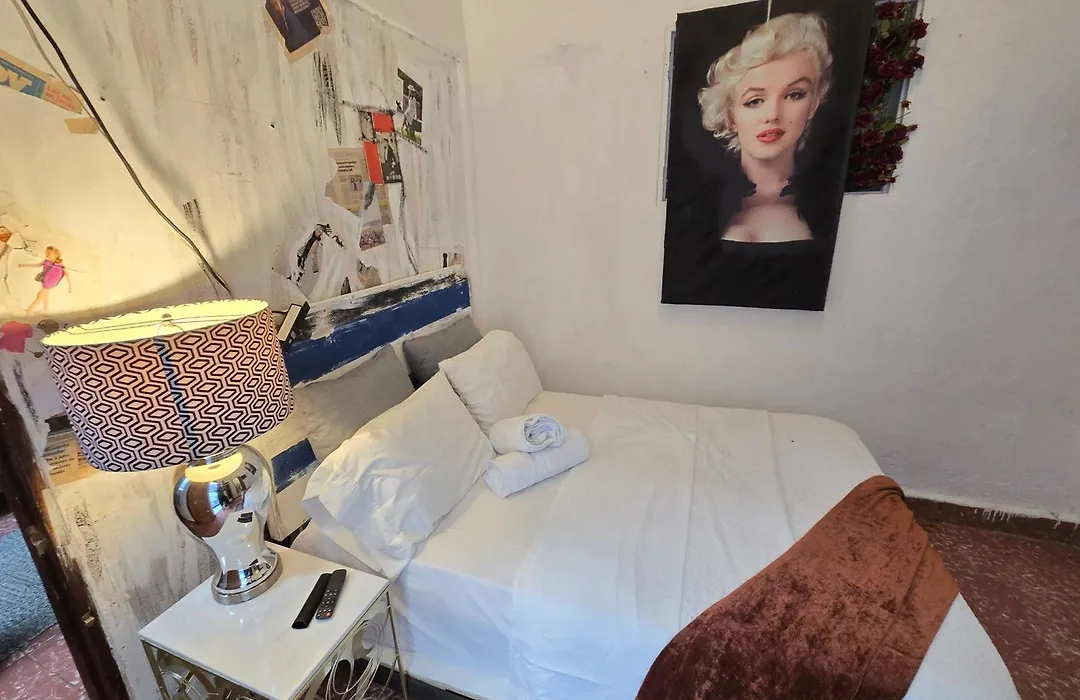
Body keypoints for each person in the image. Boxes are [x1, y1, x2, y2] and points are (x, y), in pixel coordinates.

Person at [697, 13, 833, 243]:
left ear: (814, 104)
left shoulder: (825, 200)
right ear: (730, 116)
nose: (772, 115)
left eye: (794, 95)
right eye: (755, 101)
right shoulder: (697, 201)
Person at [21, 246, 71, 313]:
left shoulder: (60, 265)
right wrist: (24, 265)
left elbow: (67, 274)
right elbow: (37, 265)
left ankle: (30, 310)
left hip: (50, 282)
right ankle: (46, 309)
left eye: (49, 253)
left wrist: (70, 285)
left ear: (55, 255)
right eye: (46, 252)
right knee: (44, 294)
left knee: (40, 295)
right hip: (46, 281)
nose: (46, 254)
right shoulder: (46, 261)